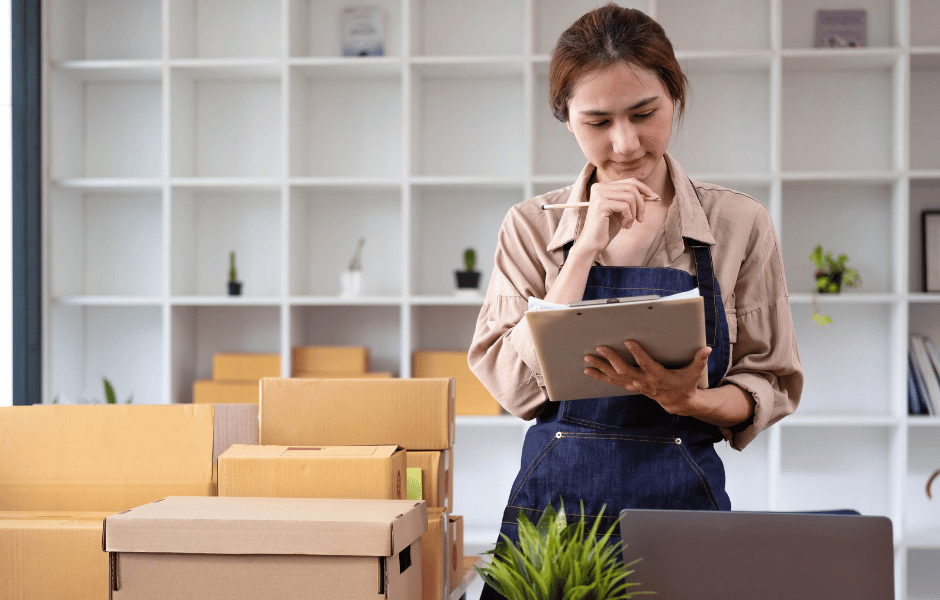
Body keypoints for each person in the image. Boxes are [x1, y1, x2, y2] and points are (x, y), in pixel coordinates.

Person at [468, 5, 803, 598]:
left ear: (675, 96)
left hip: (683, 512)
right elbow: (514, 387)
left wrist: (694, 400)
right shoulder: (528, 227)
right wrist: (581, 253)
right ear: (566, 119)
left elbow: (771, 382)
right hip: (556, 518)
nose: (625, 144)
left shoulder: (738, 224)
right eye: (598, 121)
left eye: (644, 113)